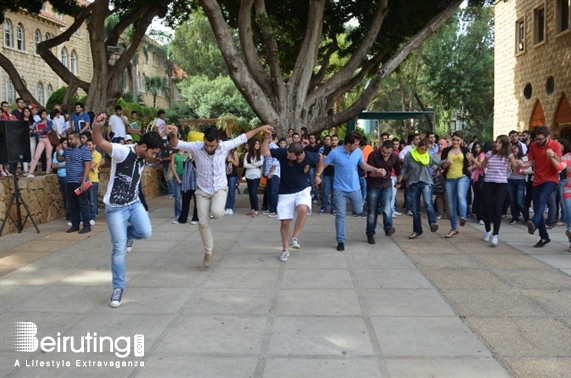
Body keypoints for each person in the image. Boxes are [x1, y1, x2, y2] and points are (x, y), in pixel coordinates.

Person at [167, 123, 273, 268]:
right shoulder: (196, 147)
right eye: (207, 145)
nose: (209, 148)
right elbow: (175, 144)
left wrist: (260, 129)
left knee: (216, 213)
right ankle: (209, 251)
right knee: (202, 222)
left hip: (219, 188)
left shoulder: (225, 146)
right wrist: (173, 134)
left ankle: (219, 210)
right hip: (202, 191)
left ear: (218, 141)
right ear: (204, 140)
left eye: (212, 146)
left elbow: (244, 137)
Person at [91, 113, 163, 307]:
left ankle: (129, 234)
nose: (154, 157)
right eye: (153, 153)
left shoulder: (145, 156)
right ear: (144, 147)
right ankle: (118, 288)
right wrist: (96, 126)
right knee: (119, 248)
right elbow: (98, 141)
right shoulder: (122, 151)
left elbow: (163, 149)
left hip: (134, 203)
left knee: (145, 232)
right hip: (115, 209)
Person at [315, 130, 386, 252]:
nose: (358, 146)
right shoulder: (335, 153)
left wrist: (376, 169)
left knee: (359, 210)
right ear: (348, 143)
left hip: (355, 188)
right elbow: (323, 164)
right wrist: (317, 175)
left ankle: (364, 228)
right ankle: (340, 241)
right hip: (339, 189)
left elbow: (363, 165)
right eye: (356, 144)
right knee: (340, 216)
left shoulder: (358, 152)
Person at [261, 135, 320, 261]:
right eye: (287, 154)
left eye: (290, 156)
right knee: (285, 222)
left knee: (303, 209)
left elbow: (322, 158)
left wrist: (318, 174)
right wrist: (267, 138)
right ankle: (285, 249)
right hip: (285, 191)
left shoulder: (310, 156)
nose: (288, 157)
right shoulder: (284, 153)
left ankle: (295, 237)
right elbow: (264, 152)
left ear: (299, 155)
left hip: (303, 189)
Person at [468, 135, 518, 246]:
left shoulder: (508, 155)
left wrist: (519, 164)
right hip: (488, 183)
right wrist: (472, 159)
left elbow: (516, 167)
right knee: (486, 208)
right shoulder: (489, 154)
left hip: (501, 184)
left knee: (497, 209)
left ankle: (496, 234)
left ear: (504, 144)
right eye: (496, 142)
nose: (496, 144)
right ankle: (487, 230)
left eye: (499, 142)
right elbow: (481, 165)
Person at [517, 125, 562, 248]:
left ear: (548, 137)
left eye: (541, 139)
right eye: (537, 139)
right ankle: (544, 237)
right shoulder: (534, 145)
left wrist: (552, 155)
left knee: (543, 199)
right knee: (538, 208)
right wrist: (523, 164)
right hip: (537, 179)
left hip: (551, 178)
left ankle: (534, 223)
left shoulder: (555, 145)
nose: (539, 141)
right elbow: (531, 161)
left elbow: (559, 162)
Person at [401, 138, 443, 239]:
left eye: (425, 149)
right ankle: (417, 230)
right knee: (415, 208)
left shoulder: (428, 155)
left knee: (428, 202)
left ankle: (432, 223)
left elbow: (438, 163)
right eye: (421, 149)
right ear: (418, 146)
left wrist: (447, 161)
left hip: (426, 182)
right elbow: (404, 168)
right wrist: (402, 178)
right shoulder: (410, 155)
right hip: (413, 183)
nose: (423, 151)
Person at [365, 140, 402, 244]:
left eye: (388, 153)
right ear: (381, 148)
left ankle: (388, 228)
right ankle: (370, 233)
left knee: (387, 207)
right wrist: (377, 173)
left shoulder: (395, 157)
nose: (385, 154)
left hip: (387, 185)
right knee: (372, 210)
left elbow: (399, 172)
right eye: (383, 152)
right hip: (374, 185)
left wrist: (399, 182)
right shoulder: (373, 155)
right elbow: (369, 174)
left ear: (392, 151)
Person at [56, 131, 92, 234]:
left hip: (79, 181)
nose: (69, 141)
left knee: (83, 204)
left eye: (71, 139)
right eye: (68, 139)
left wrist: (83, 181)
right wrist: (58, 152)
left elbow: (87, 165)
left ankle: (86, 225)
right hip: (70, 181)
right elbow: (61, 159)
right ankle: (75, 224)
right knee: (73, 204)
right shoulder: (68, 150)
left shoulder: (85, 150)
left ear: (78, 139)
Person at [440, 131, 471, 238]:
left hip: (462, 177)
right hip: (449, 178)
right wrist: (446, 163)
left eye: (458, 140)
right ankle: (454, 228)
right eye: (454, 140)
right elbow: (442, 167)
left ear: (462, 140)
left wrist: (470, 159)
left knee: (461, 196)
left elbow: (469, 165)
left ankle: (463, 216)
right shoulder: (446, 150)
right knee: (451, 204)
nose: (455, 142)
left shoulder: (465, 150)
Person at [546, 139, 571, 252]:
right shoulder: (567, 157)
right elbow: (560, 167)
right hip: (568, 190)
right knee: (570, 214)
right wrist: (552, 156)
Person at [26, 109, 54, 177]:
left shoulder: (49, 122)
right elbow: (34, 131)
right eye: (42, 114)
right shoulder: (38, 122)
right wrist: (38, 130)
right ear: (40, 115)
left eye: (45, 114)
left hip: (48, 139)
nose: (44, 115)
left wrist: (39, 130)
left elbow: (47, 129)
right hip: (41, 139)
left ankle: (48, 171)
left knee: (48, 156)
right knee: (36, 156)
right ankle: (31, 172)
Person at [507, 142, 529, 225]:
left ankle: (526, 217)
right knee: (512, 201)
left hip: (520, 180)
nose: (514, 150)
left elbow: (529, 170)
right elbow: (506, 170)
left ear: (519, 149)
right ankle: (514, 217)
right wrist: (509, 166)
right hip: (510, 180)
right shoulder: (508, 158)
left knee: (519, 201)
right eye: (512, 149)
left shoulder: (524, 158)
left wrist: (521, 169)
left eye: (515, 148)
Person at [319, 134, 339, 215]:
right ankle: (323, 208)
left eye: (335, 140)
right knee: (325, 192)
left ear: (338, 141)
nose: (334, 141)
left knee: (334, 193)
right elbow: (324, 160)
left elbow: (338, 162)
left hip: (336, 174)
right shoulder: (326, 149)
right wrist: (333, 162)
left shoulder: (340, 150)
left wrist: (330, 162)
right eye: (332, 140)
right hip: (326, 174)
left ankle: (333, 208)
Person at [243, 138, 264, 217]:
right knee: (250, 193)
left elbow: (261, 162)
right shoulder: (247, 154)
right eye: (256, 144)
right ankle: (253, 209)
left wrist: (252, 165)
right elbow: (245, 165)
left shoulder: (260, 154)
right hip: (248, 175)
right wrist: (255, 165)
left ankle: (256, 209)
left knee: (253, 191)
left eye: (258, 144)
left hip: (256, 175)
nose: (258, 145)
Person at [52, 139, 71, 223]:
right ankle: (69, 215)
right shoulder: (57, 153)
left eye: (67, 143)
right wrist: (65, 165)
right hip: (63, 175)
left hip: (70, 175)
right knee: (67, 195)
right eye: (64, 143)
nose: (66, 145)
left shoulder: (70, 152)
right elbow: (54, 165)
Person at [262, 133, 281, 217]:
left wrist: (271, 171)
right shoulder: (269, 147)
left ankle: (275, 210)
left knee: (273, 191)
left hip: (274, 173)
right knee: (269, 191)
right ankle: (271, 208)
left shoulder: (274, 147)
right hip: (269, 172)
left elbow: (275, 160)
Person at [86, 139, 102, 226]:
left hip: (93, 180)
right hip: (85, 180)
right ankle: (85, 217)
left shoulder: (97, 155)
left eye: (90, 145)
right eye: (87, 145)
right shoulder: (85, 154)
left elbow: (91, 166)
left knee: (92, 200)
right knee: (86, 200)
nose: (88, 147)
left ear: (94, 145)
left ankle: (92, 217)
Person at [470, 141, 485, 224]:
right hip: (474, 178)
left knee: (480, 197)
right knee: (477, 197)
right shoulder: (475, 155)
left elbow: (480, 165)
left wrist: (473, 161)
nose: (477, 149)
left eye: (478, 147)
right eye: (475, 147)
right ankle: (477, 213)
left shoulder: (482, 155)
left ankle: (480, 216)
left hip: (480, 178)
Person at [170, 149, 186, 222]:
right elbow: (172, 167)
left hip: (186, 176)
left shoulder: (187, 155)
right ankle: (177, 213)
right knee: (177, 196)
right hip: (178, 174)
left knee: (186, 196)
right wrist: (177, 177)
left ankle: (184, 213)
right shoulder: (174, 155)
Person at [225, 147, 240, 215]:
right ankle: (226, 206)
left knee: (231, 191)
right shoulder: (223, 153)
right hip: (224, 174)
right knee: (225, 191)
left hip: (232, 174)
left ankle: (230, 207)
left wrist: (231, 160)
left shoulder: (234, 153)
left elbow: (237, 164)